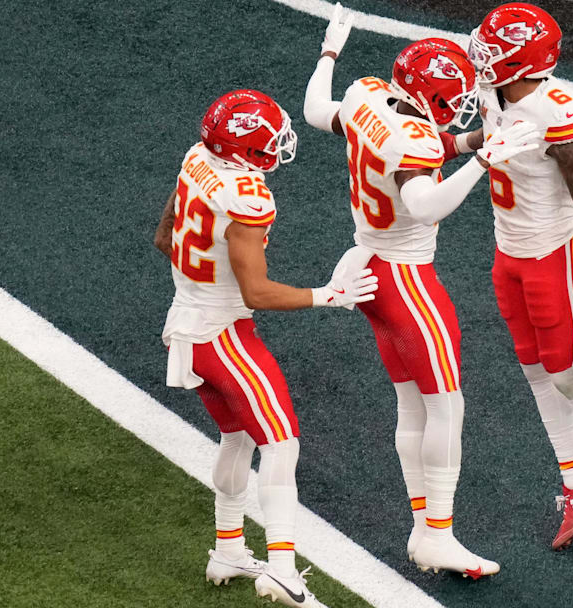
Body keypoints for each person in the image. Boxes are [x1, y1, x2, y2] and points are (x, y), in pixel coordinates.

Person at [301, 3, 539, 578]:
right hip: (407, 279)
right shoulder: (414, 143)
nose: (456, 107)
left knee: (414, 404)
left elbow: (315, 113)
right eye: (452, 97)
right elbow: (423, 200)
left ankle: (422, 527)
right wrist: (484, 158)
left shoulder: (369, 95)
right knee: (446, 408)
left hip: (367, 264)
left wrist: (330, 52)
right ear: (430, 96)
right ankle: (437, 534)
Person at [153, 88, 377, 608]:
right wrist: (329, 295)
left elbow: (166, 236)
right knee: (281, 444)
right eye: (266, 142)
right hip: (222, 333)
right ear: (241, 150)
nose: (275, 149)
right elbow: (257, 292)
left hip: (185, 323)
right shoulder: (247, 195)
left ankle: (228, 548)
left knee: (238, 438)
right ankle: (280, 569)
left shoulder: (196, 158)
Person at [445, 2, 573, 548]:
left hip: (552, 252)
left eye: (495, 51)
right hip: (508, 249)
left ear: (527, 62)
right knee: (534, 371)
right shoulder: (493, 88)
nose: (482, 58)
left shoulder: (559, 111)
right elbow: (475, 129)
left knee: (566, 371)